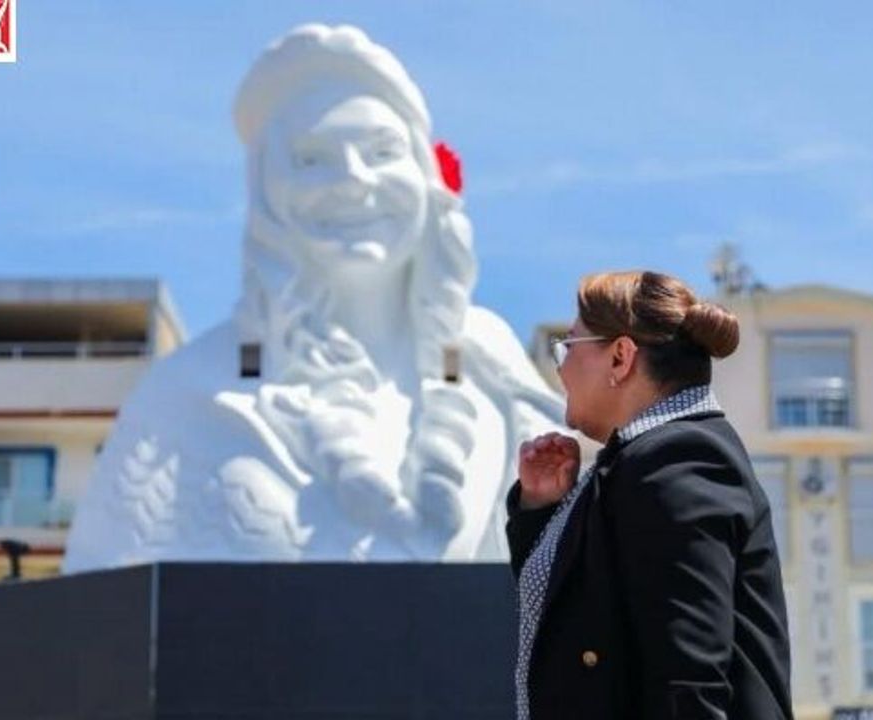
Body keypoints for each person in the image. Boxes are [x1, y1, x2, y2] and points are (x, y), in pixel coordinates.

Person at [62, 25, 563, 569]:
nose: (353, 179)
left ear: (424, 175)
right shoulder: (185, 398)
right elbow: (100, 600)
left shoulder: (493, 368)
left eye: (382, 151)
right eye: (311, 159)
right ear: (265, 192)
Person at [507, 270, 793, 719]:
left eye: (570, 345)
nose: (561, 367)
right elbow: (574, 624)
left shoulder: (679, 459)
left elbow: (688, 681)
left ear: (620, 358)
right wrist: (543, 509)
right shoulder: (636, 461)